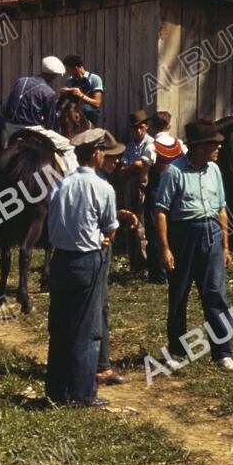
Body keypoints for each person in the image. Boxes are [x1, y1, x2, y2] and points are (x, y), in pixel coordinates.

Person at [155, 119, 233, 372]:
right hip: (184, 235)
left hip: (211, 233)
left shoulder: (214, 170)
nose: (219, 148)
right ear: (199, 146)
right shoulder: (174, 172)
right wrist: (165, 248)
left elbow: (222, 208)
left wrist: (225, 246)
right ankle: (176, 351)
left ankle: (223, 353)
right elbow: (160, 211)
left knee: (215, 294)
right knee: (179, 295)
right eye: (214, 144)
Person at [46, 128, 120, 407]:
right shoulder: (103, 187)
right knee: (86, 330)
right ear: (97, 154)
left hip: (60, 260)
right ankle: (83, 393)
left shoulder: (60, 185)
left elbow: (53, 222)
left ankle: (55, 389)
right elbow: (110, 229)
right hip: (87, 259)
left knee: (60, 327)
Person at [95, 130, 137, 386]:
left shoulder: (97, 179)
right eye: (110, 156)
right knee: (100, 306)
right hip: (98, 249)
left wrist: (118, 213)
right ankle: (101, 366)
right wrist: (111, 230)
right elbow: (102, 224)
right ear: (97, 155)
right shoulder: (101, 184)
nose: (116, 160)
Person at [1, 55, 77, 173]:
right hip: (32, 130)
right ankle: (71, 177)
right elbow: (50, 123)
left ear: (42, 69)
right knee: (69, 146)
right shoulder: (49, 93)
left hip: (9, 128)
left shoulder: (21, 81)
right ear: (54, 76)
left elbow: (7, 106)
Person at [142, 111, 186, 284]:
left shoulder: (152, 147)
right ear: (169, 126)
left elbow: (144, 176)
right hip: (176, 195)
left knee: (154, 234)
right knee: (175, 231)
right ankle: (177, 269)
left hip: (157, 193)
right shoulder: (180, 145)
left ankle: (158, 275)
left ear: (153, 127)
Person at [118, 110, 154, 276]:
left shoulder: (151, 144)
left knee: (142, 224)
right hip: (128, 186)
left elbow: (145, 168)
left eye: (141, 127)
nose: (138, 131)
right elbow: (123, 171)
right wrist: (134, 166)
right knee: (129, 222)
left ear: (146, 126)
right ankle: (134, 263)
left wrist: (133, 167)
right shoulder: (130, 146)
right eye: (134, 128)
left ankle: (146, 263)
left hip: (143, 186)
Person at [60, 54, 104, 127]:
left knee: (85, 109)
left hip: (88, 112)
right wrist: (62, 95)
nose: (68, 73)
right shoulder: (69, 81)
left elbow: (97, 103)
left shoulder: (94, 79)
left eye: (68, 70)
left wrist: (80, 95)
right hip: (72, 109)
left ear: (76, 68)